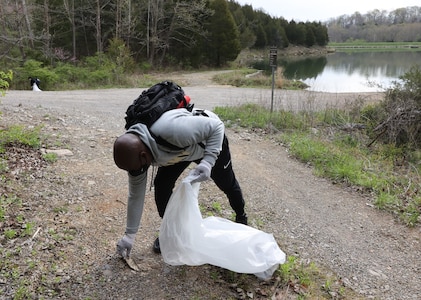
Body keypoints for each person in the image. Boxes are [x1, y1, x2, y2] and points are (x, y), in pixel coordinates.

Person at [113, 107, 247, 257]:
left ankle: (241, 217)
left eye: (138, 169)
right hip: (179, 151)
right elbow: (135, 195)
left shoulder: (173, 131)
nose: (137, 173)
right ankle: (172, 232)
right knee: (162, 186)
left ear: (144, 156)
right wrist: (130, 235)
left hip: (206, 142)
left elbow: (217, 127)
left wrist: (208, 161)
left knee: (227, 183)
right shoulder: (135, 156)